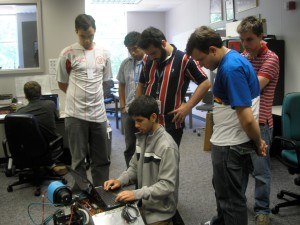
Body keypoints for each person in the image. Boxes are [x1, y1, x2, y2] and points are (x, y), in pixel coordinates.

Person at [186, 26, 267, 225]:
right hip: (229, 141)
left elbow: (247, 118)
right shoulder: (234, 59)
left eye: (202, 59)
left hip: (230, 145)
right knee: (222, 189)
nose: (202, 65)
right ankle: (221, 221)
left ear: (213, 49)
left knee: (231, 199)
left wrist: (259, 141)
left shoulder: (231, 69)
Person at [104, 95, 179, 225]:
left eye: (140, 120)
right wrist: (119, 181)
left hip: (159, 213)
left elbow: (167, 185)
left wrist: (136, 194)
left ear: (154, 117)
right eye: (134, 121)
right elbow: (133, 167)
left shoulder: (167, 146)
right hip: (143, 205)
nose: (136, 125)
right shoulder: (143, 137)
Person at [56, 14, 112, 186]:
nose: (87, 40)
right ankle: (82, 195)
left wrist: (93, 100)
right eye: (83, 36)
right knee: (78, 160)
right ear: (76, 32)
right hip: (75, 115)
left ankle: (101, 194)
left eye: (91, 36)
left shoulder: (104, 53)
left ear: (94, 32)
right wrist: (79, 97)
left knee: (102, 159)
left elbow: (106, 83)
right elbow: (62, 83)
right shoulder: (67, 53)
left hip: (99, 115)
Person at [136, 26, 210, 147]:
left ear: (163, 43)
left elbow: (205, 83)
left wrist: (188, 106)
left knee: (168, 162)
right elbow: (141, 85)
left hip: (172, 123)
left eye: (154, 53)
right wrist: (138, 112)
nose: (152, 57)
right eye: (149, 54)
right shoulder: (148, 60)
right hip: (149, 121)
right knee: (149, 160)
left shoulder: (184, 59)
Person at [237, 16, 280, 225]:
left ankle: (263, 209)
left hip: (261, 124)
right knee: (242, 169)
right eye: (242, 39)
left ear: (261, 37)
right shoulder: (244, 55)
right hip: (243, 122)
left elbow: (252, 88)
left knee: (261, 172)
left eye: (250, 39)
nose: (245, 45)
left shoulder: (271, 59)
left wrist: (236, 82)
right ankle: (239, 203)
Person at [17, 81, 67, 175]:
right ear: (40, 93)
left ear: (26, 96)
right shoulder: (50, 104)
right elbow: (57, 117)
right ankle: (51, 165)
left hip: (28, 148)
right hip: (50, 145)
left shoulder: (19, 112)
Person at [117, 31, 146, 167]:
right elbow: (121, 86)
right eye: (129, 50)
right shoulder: (125, 64)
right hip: (128, 111)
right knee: (130, 145)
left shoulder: (150, 62)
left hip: (145, 112)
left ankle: (147, 175)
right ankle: (131, 174)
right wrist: (123, 107)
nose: (133, 52)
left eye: (135, 48)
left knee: (147, 144)